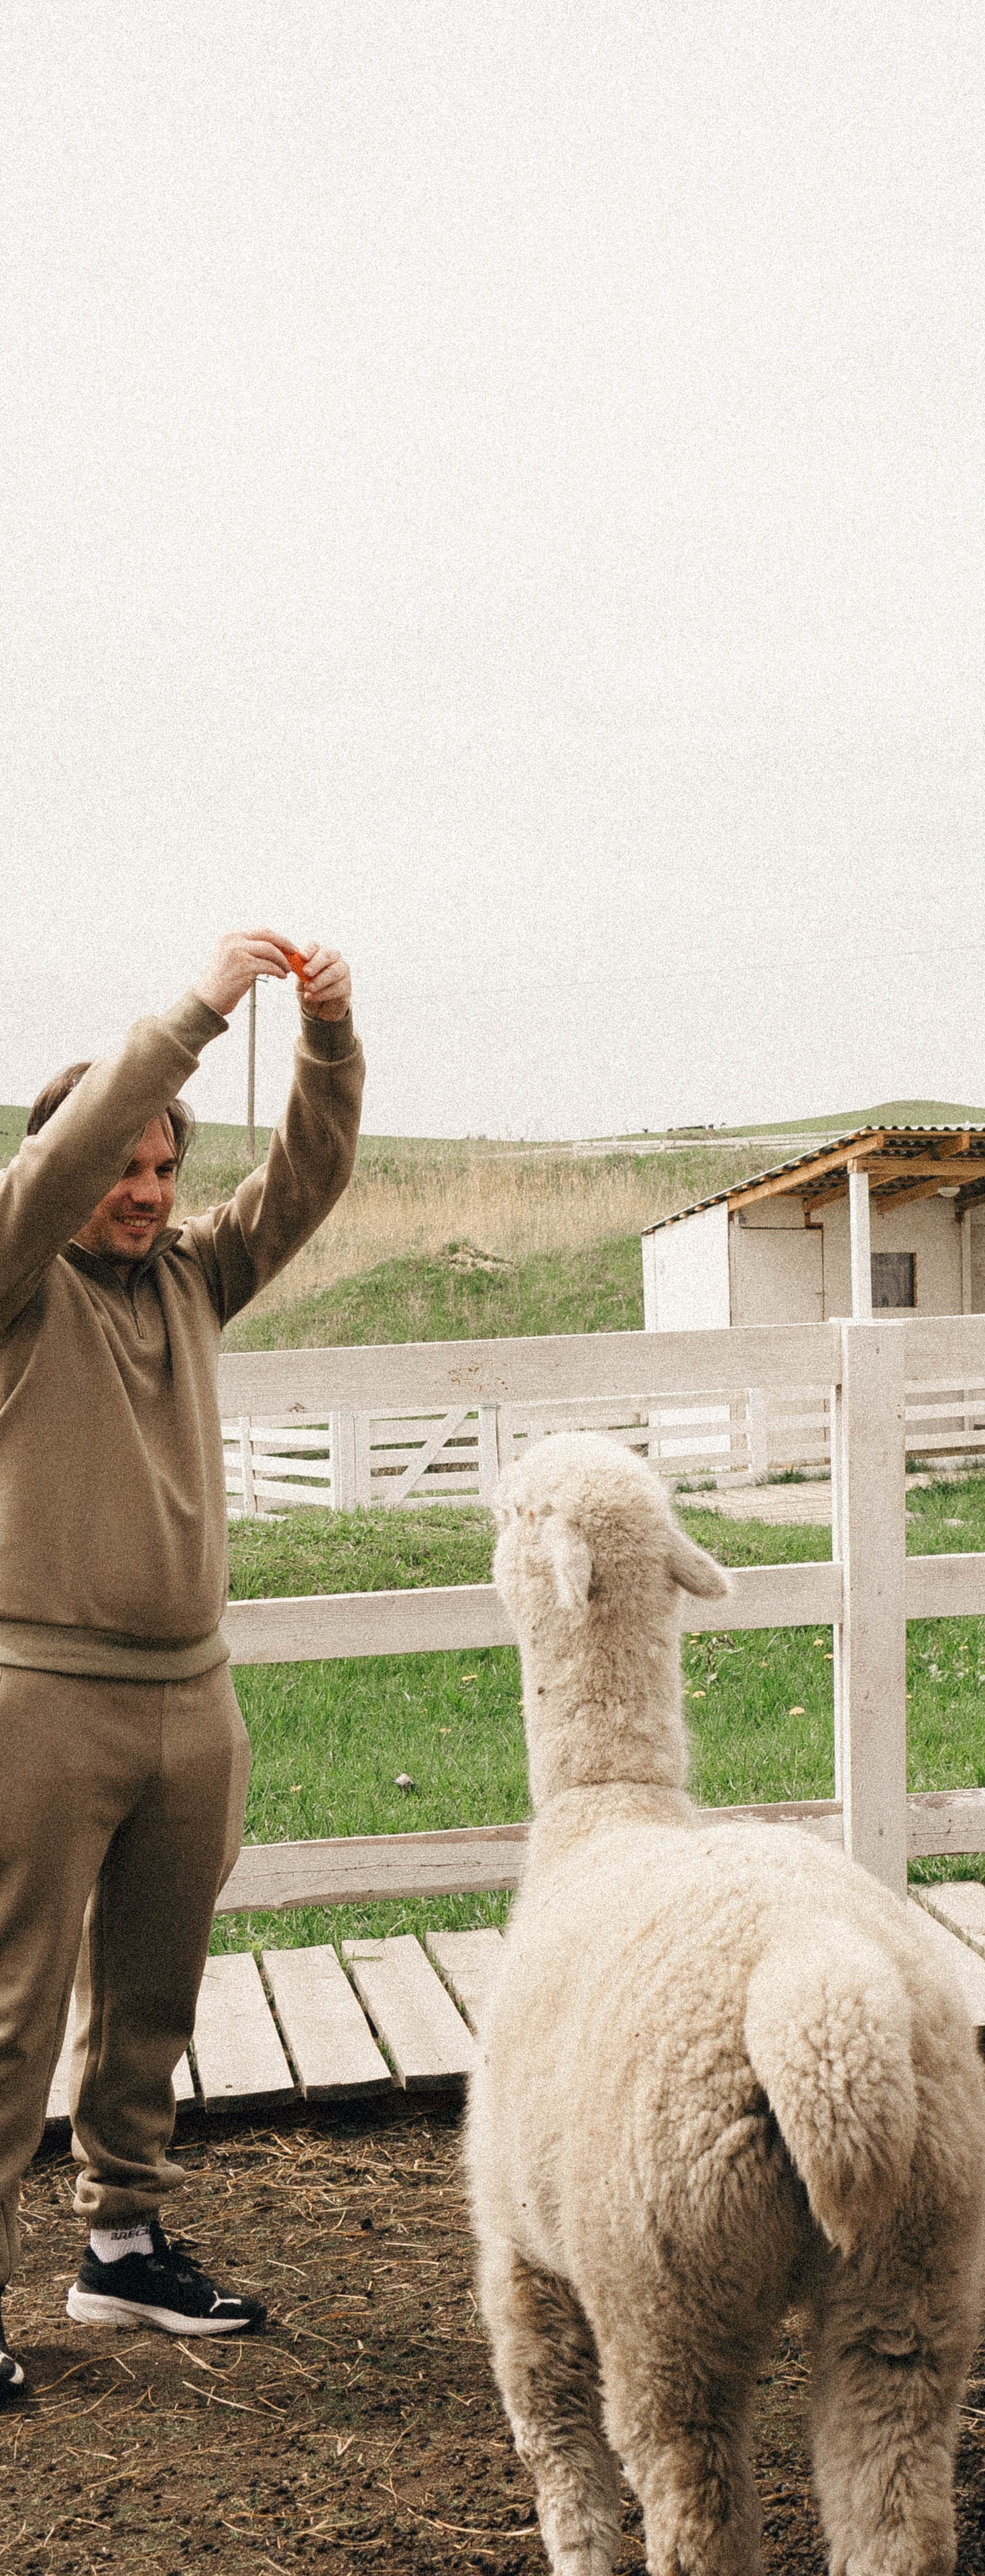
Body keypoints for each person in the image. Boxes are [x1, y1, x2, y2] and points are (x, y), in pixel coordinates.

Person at [0, 930, 363, 2395]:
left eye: (163, 1168)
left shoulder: (194, 1280)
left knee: (153, 1991)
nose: (146, 1190)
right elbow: (75, 1140)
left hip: (190, 1696)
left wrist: (327, 1039)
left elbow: (308, 1178)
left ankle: (123, 2251)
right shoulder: (18, 1281)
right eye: (122, 1165)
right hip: (39, 1699)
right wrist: (203, 1011)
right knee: (11, 2008)